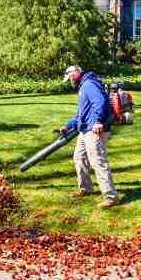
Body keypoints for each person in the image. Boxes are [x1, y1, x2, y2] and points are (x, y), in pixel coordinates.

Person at [61, 65, 119, 209]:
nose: (70, 80)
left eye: (70, 77)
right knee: (79, 157)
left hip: (95, 130)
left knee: (98, 161)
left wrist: (98, 121)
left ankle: (111, 196)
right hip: (85, 129)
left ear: (76, 72)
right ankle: (86, 188)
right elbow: (82, 113)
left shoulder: (89, 84)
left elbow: (100, 102)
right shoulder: (83, 85)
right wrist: (69, 125)